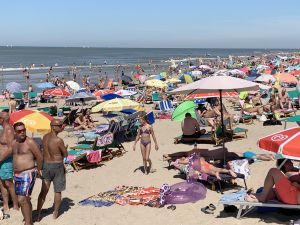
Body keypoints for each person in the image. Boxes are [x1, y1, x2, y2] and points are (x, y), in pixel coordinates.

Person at [36, 119, 67, 221]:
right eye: (59, 125)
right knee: (57, 191)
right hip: (57, 166)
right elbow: (65, 154)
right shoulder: (58, 140)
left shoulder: (45, 137)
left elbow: (42, 153)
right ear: (53, 127)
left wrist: (39, 167)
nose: (61, 127)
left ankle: (38, 214)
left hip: (46, 165)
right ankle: (55, 213)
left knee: (43, 191)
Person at [12, 122, 43, 225]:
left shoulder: (30, 142)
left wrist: (38, 170)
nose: (22, 132)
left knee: (22, 199)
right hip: (17, 175)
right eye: (19, 131)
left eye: (24, 130)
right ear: (14, 132)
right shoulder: (14, 142)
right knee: (25, 199)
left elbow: (39, 157)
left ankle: (28, 223)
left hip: (28, 173)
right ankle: (28, 219)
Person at [0, 112, 19, 217]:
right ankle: (6, 204)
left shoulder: (8, 130)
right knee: (1, 183)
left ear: (1, 119)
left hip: (6, 160)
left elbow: (11, 148)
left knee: (8, 183)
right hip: (1, 160)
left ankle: (16, 205)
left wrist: (1, 159)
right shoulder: (3, 129)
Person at [171, 156, 237, 180]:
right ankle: (229, 171)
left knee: (208, 171)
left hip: (200, 166)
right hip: (205, 163)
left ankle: (215, 174)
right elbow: (203, 158)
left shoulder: (188, 159)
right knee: (217, 168)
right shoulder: (195, 156)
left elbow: (180, 163)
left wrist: (177, 161)